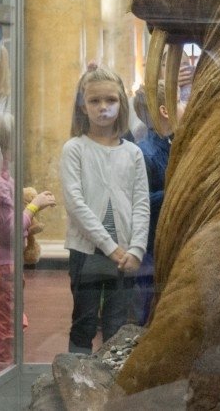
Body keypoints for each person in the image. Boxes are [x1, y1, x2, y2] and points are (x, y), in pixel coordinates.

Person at [60, 65, 149, 353]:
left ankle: (111, 388)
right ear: (83, 106)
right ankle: (75, 384)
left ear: (121, 103)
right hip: (88, 251)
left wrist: (136, 249)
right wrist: (110, 247)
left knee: (117, 325)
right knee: (84, 323)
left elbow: (141, 203)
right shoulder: (74, 149)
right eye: (94, 101)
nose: (103, 108)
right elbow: (76, 204)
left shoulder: (133, 152)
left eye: (110, 100)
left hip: (125, 254)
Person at [0, 112, 56, 388]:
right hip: (3, 268)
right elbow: (7, 233)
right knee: (7, 332)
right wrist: (33, 208)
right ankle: (2, 385)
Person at [131, 80, 185, 325]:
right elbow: (140, 202)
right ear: (165, 110)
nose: (184, 106)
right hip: (149, 250)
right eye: (180, 101)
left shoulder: (173, 144)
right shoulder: (146, 152)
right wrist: (176, 192)